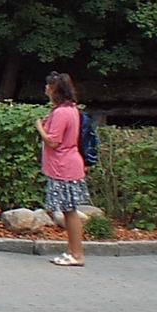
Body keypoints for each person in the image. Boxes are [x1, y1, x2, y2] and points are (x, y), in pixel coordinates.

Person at [37, 71, 88, 267]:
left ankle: (77, 254)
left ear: (54, 89)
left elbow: (53, 141)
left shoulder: (60, 112)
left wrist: (39, 127)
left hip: (64, 167)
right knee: (69, 211)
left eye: (48, 86)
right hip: (69, 165)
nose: (45, 89)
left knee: (70, 212)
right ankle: (73, 252)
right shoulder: (71, 109)